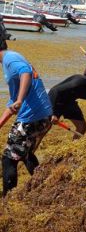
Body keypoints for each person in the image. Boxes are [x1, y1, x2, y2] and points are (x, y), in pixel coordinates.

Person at [0, 39, 53, 195]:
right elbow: (12, 103)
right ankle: (43, 187)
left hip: (32, 117)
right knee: (25, 154)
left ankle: (7, 199)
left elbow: (25, 72)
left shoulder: (9, 58)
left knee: (9, 158)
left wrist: (20, 100)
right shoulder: (10, 60)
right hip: (42, 115)